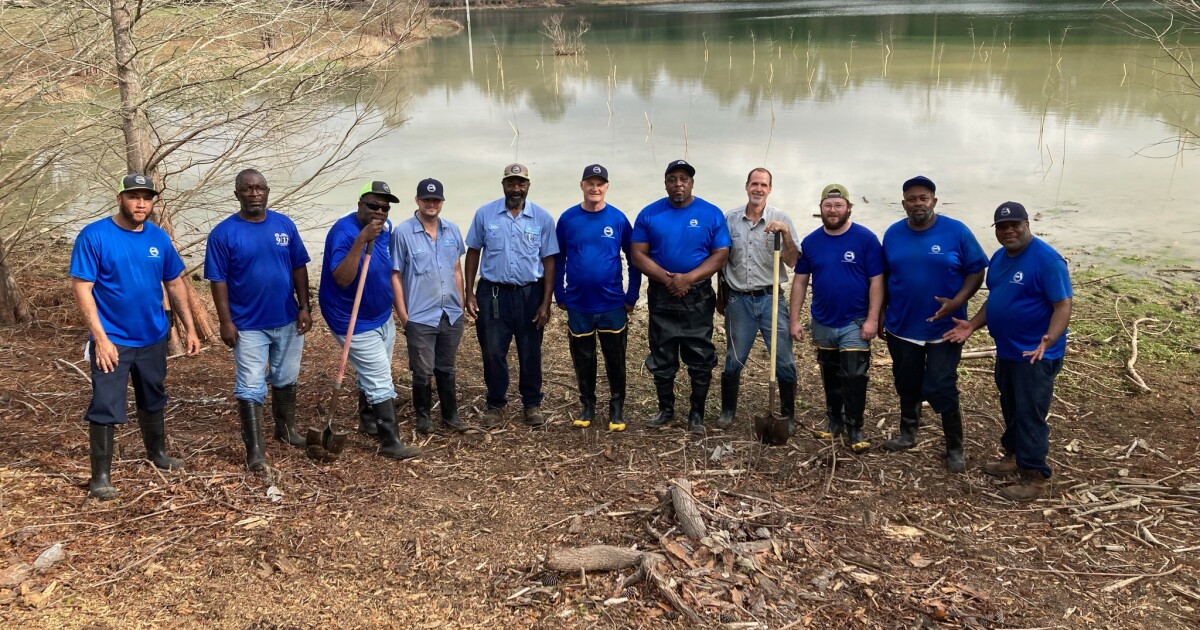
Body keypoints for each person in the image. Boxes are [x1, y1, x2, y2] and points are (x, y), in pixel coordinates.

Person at [70, 173, 201, 500]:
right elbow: (82, 289)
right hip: (112, 338)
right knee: (105, 403)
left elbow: (174, 284)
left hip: (153, 336)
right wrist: (99, 338)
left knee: (153, 396)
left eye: (147, 197)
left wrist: (190, 328)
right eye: (133, 196)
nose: (141, 203)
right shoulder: (95, 236)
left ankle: (156, 453)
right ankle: (100, 476)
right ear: (120, 199)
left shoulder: (158, 238)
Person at [944, 202, 1072, 501]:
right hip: (1009, 351)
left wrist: (1049, 340)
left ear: (1027, 224)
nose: (1008, 230)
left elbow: (1062, 305)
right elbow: (998, 299)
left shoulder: (1047, 260)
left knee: (1030, 413)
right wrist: (972, 325)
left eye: (1015, 224)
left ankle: (1035, 477)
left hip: (1035, 355)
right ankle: (1014, 456)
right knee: (1012, 407)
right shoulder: (1000, 258)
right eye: (1002, 227)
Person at [205, 169, 312, 472]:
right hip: (247, 324)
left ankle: (286, 430)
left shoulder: (284, 225)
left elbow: (299, 267)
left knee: (286, 375)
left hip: (287, 318)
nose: (254, 193)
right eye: (247, 189)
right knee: (250, 384)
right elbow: (218, 280)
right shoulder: (224, 233)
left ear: (267, 191)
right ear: (236, 193)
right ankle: (255, 451)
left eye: (259, 188)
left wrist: (304, 307)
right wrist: (225, 321)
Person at [879, 176, 988, 473]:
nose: (918, 204)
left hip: (945, 329)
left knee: (941, 385)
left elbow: (976, 270)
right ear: (904, 204)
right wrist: (879, 312)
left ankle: (954, 446)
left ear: (934, 201)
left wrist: (958, 300)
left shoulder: (957, 231)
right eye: (912, 199)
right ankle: (908, 433)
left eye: (923, 198)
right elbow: (885, 277)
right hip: (901, 326)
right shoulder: (893, 234)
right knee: (906, 382)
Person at [318, 181, 420, 460]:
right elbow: (342, 278)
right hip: (350, 317)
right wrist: (361, 240)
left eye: (385, 208)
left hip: (380, 316)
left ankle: (367, 420)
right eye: (373, 205)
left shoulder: (384, 231)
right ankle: (391, 441)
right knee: (379, 378)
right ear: (360, 203)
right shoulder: (343, 232)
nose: (380, 211)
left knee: (376, 369)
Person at [631, 159, 731, 434]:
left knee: (699, 354)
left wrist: (688, 278)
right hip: (662, 293)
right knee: (662, 353)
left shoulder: (711, 213)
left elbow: (721, 254)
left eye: (684, 179)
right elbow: (637, 253)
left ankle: (696, 414)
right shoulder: (650, 214)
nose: (678, 184)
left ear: (692, 183)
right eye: (673, 179)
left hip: (697, 294)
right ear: (665, 183)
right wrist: (667, 278)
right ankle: (666, 410)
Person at [789, 184, 883, 453]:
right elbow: (800, 282)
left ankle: (855, 427)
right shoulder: (811, 242)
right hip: (822, 320)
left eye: (838, 205)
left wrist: (872, 319)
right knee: (830, 373)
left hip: (854, 321)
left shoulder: (865, 239)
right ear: (820, 209)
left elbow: (877, 280)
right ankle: (834, 421)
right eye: (828, 205)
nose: (833, 210)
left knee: (854, 375)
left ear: (848, 208)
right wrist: (795, 320)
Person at [464, 163, 559, 428]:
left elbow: (549, 260)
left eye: (521, 184)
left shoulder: (542, 218)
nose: (516, 189)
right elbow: (473, 251)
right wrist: (469, 293)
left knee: (530, 352)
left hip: (530, 293)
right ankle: (496, 403)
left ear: (528, 186)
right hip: (493, 294)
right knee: (493, 351)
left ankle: (532, 403)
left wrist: (546, 302)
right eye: (511, 183)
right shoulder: (485, 214)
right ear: (503, 185)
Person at [554, 164, 642, 432]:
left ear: (606, 187)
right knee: (583, 358)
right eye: (590, 183)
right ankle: (588, 405)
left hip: (612, 303)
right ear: (582, 186)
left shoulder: (617, 219)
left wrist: (632, 294)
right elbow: (558, 259)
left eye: (600, 184)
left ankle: (616, 407)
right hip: (579, 304)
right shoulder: (568, 219)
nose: (595, 188)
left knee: (615, 358)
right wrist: (559, 292)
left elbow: (634, 257)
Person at [716, 167, 799, 432]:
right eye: (754, 184)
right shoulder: (730, 220)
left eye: (764, 185)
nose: (758, 189)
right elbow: (720, 261)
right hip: (739, 301)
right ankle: (728, 412)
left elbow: (793, 260)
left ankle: (788, 414)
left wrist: (784, 234)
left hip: (771, 299)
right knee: (734, 359)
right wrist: (721, 296)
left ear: (770, 189)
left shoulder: (781, 219)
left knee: (784, 360)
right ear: (746, 186)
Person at [390, 178, 469, 435]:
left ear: (442, 202)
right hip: (420, 316)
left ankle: (451, 415)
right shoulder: (403, 233)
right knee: (422, 371)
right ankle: (423, 417)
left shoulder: (452, 230)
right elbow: (396, 275)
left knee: (446, 367)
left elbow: (456, 269)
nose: (431, 204)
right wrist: (404, 316)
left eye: (436, 200)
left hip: (450, 313)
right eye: (426, 200)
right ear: (417, 201)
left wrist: (462, 301)